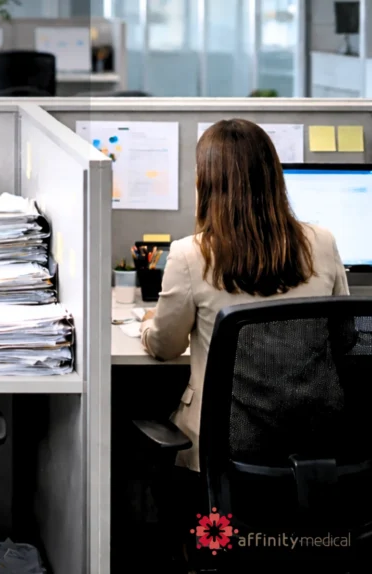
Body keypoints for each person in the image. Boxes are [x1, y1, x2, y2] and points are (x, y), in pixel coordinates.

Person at [140, 118, 349, 473]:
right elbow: (346, 335)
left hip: (226, 447)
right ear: (273, 177)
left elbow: (165, 346)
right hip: (313, 442)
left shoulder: (191, 254)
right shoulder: (323, 241)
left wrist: (149, 325)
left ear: (205, 184)